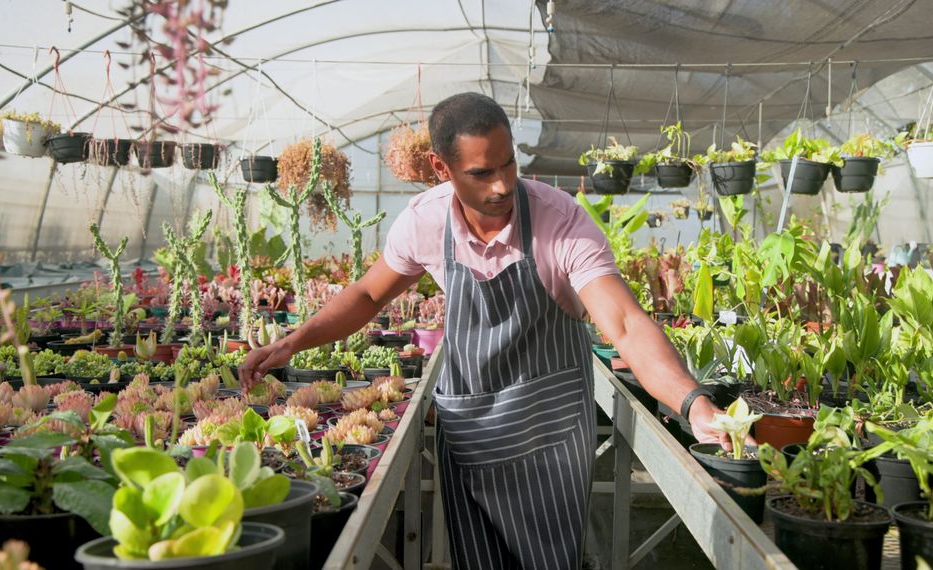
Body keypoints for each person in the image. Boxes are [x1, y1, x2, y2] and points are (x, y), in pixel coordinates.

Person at [240, 92, 735, 569]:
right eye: (481, 173)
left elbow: (625, 325)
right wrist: (291, 342)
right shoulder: (426, 222)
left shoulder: (560, 222)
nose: (500, 186)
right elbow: (369, 295)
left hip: (550, 439)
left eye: (508, 165)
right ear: (441, 168)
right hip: (471, 433)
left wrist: (694, 404)